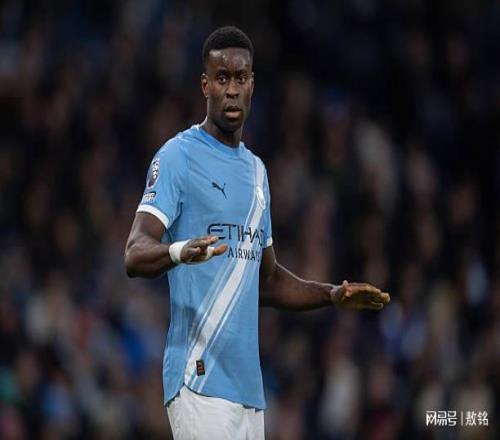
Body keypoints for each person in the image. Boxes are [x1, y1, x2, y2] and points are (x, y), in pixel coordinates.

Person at [124, 26, 390, 440]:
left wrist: (331, 295)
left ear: (252, 84)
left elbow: (266, 281)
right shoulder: (178, 156)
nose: (232, 90)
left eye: (240, 78)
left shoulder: (256, 172)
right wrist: (179, 250)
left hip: (249, 392)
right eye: (222, 78)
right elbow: (134, 252)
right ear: (205, 85)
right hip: (198, 380)